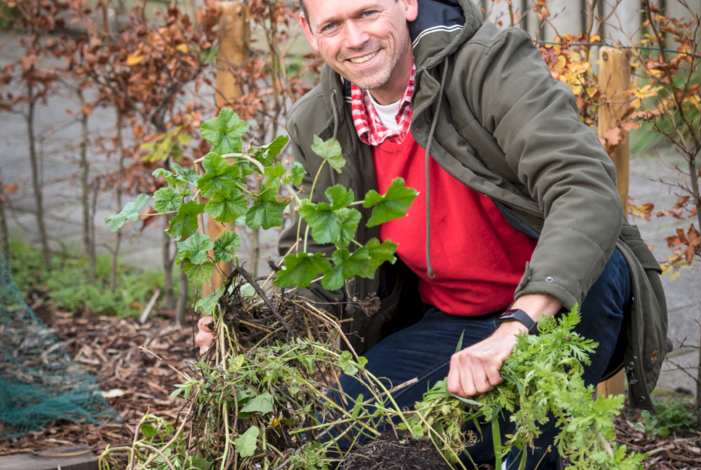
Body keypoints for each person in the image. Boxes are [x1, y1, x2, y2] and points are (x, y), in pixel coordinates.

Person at [198, 0, 669, 468]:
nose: (354, 39)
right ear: (308, 31)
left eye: (367, 13)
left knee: (596, 271)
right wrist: (254, 327)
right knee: (331, 431)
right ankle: (487, 433)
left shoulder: (489, 65)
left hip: (555, 307)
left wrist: (519, 325)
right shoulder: (320, 120)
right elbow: (318, 257)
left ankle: (529, 449)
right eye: (333, 25)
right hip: (452, 320)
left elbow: (582, 186)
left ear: (407, 3)